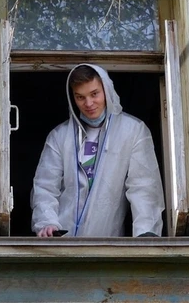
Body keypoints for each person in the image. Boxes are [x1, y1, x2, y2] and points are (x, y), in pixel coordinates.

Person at [31, 64, 165, 238]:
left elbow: (144, 187)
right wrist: (47, 222)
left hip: (107, 246)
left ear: (107, 90)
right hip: (61, 245)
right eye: (80, 97)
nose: (88, 103)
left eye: (94, 94)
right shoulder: (59, 136)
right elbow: (45, 186)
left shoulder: (133, 131)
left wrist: (146, 233)